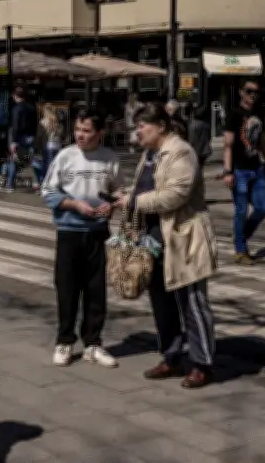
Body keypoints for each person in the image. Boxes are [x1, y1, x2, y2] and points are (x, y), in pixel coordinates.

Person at [114, 102, 217, 389]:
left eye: (142, 127)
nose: (138, 133)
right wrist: (125, 196)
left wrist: (134, 201)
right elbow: (143, 187)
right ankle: (172, 357)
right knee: (161, 302)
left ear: (160, 126)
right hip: (153, 238)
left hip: (182, 237)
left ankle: (202, 364)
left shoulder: (181, 151)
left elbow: (175, 195)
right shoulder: (150, 154)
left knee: (192, 303)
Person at [41, 108, 124, 368]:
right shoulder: (65, 156)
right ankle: (64, 341)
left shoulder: (109, 158)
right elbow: (47, 191)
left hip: (98, 233)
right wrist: (74, 205)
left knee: (96, 291)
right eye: (78, 129)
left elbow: (118, 191)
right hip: (69, 232)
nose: (80, 135)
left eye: (87, 131)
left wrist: (113, 205)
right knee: (67, 289)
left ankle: (93, 343)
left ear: (100, 133)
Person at [222, 79, 265, 265]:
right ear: (242, 92)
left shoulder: (260, 113)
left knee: (262, 208)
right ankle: (240, 250)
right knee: (241, 211)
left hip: (257, 168)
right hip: (239, 170)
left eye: (256, 92)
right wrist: (228, 171)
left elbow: (262, 141)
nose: (253, 95)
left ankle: (241, 235)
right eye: (249, 91)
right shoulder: (234, 114)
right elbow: (227, 145)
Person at [2, 86, 39, 193]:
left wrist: (13, 141)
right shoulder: (32, 107)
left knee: (13, 160)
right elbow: (35, 124)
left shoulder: (16, 109)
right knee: (32, 161)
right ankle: (39, 183)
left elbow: (15, 125)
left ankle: (10, 185)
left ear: (15, 96)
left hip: (20, 137)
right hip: (30, 136)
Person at [33, 103, 65, 184]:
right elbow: (62, 134)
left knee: (47, 167)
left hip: (48, 146)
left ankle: (46, 185)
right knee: (56, 166)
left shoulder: (43, 122)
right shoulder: (57, 121)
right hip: (58, 146)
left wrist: (36, 146)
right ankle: (55, 184)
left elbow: (39, 136)